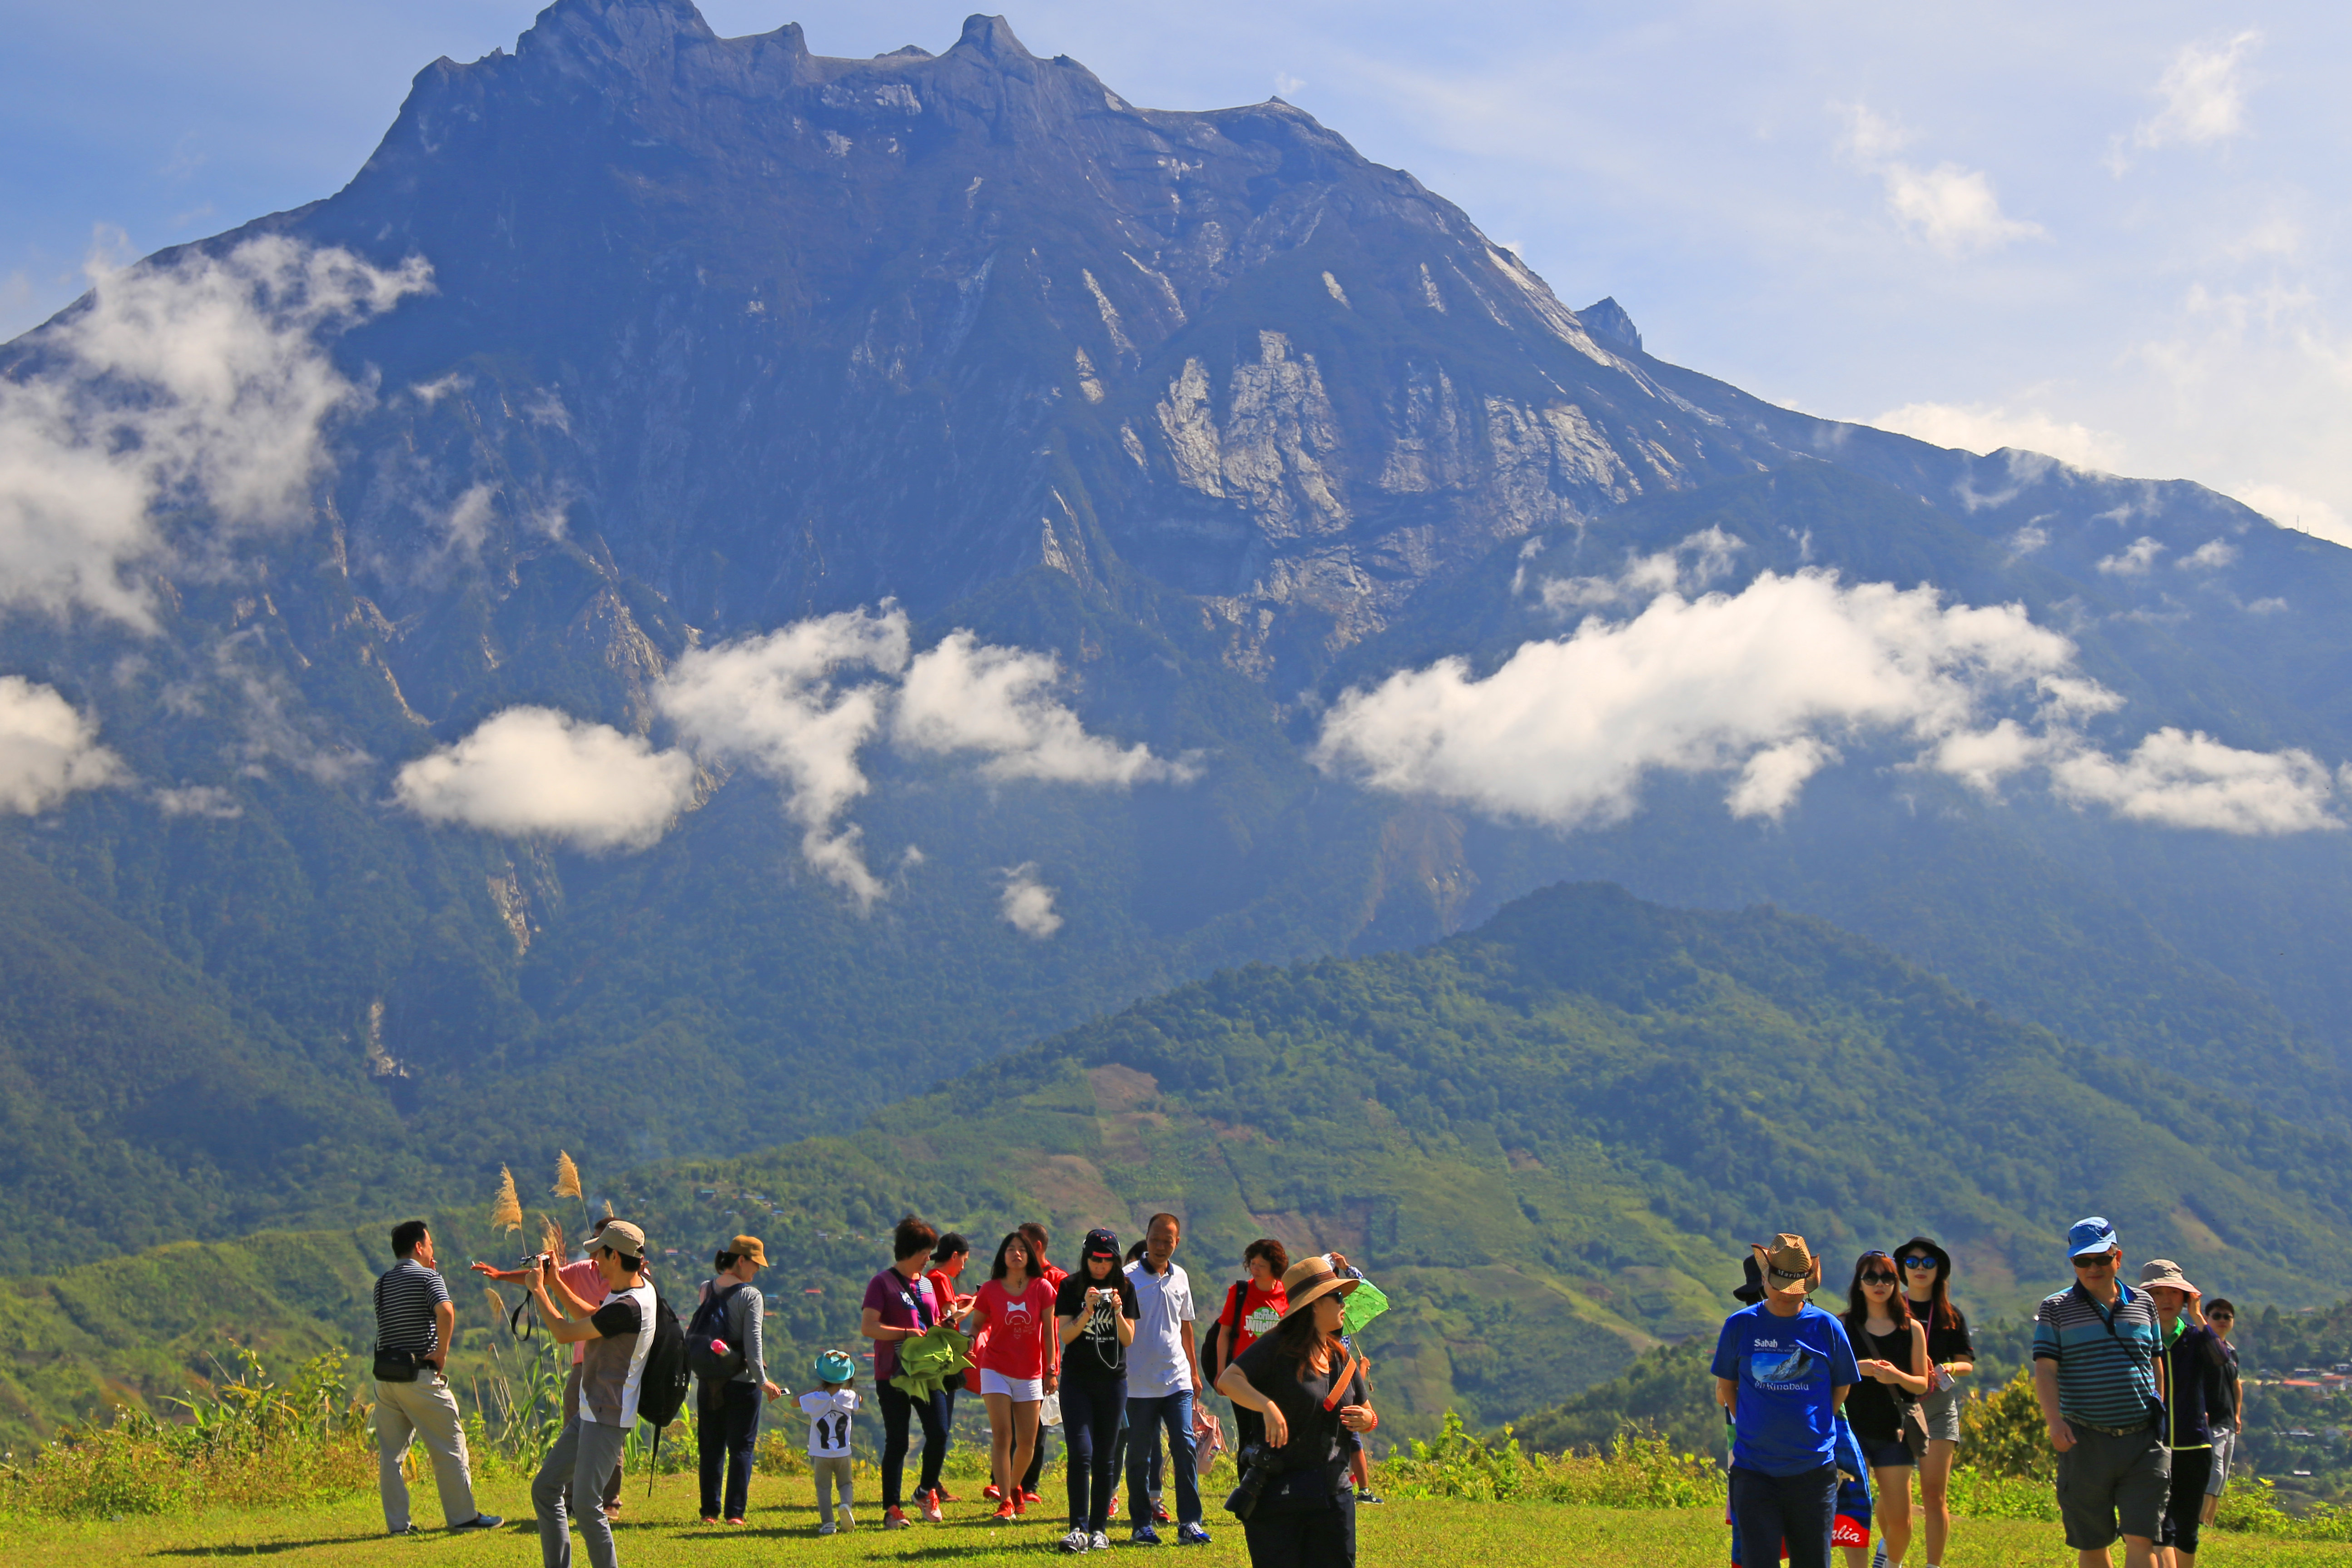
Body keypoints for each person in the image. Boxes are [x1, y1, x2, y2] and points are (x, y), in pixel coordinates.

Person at [1216, 1254, 1378, 1568]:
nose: (1344, 1302)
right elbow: (1229, 1380)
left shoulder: (1340, 1356)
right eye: (1337, 1296)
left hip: (1334, 1496)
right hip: (1281, 1496)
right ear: (1315, 1304)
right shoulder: (1276, 1346)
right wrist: (1267, 1405)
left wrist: (1367, 1420)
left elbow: (1369, 1413)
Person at [1712, 1234, 1861, 1568]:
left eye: (1794, 1286)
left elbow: (1842, 1386)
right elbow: (1727, 1386)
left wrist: (1818, 1422)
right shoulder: (1740, 1326)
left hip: (1813, 1472)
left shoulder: (1827, 1327)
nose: (1786, 1294)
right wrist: (1750, 1423)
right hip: (1754, 1471)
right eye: (1779, 1284)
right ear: (1764, 1277)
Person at [2032, 1217, 2170, 1568]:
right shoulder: (2056, 1308)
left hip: (2143, 1441)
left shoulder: (2144, 1303)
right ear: (2073, 1263)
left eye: (2101, 1259)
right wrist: (2054, 1422)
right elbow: (2046, 1370)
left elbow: (2156, 1360)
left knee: (2142, 1539)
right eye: (2082, 1261)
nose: (2092, 1268)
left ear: (2117, 1257)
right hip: (2085, 1440)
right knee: (2092, 1543)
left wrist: (2160, 1409)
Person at [528, 1219, 657, 1568]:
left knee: (586, 1506)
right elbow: (594, 1319)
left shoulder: (629, 1307)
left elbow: (565, 1333)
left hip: (607, 1415)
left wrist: (538, 1290)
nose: (594, 1261)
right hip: (591, 1410)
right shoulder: (636, 1290)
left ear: (615, 1256)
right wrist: (555, 1282)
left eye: (599, 1254)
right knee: (545, 1489)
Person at [476, 1217, 624, 1520]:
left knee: (610, 1433)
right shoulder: (584, 1271)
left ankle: (610, 1501)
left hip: (614, 1366)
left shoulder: (628, 1282)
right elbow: (543, 1279)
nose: (595, 1250)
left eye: (601, 1244)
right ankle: (571, 1498)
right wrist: (501, 1276)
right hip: (584, 1363)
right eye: (594, 1243)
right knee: (575, 1431)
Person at [373, 1220, 501, 1536]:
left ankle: (398, 1526)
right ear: (419, 1247)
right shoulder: (429, 1276)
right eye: (429, 1244)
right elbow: (446, 1311)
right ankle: (463, 1517)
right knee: (450, 1445)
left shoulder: (383, 1282)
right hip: (419, 1376)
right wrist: (441, 1352)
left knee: (391, 1455)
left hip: (386, 1377)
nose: (432, 1250)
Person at [1126, 1211, 1212, 1546]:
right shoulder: (1128, 1277)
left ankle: (1190, 1522)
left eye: (1168, 1240)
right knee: (1139, 1455)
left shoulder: (1181, 1277)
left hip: (1176, 1380)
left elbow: (1186, 1325)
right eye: (1155, 1239)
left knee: (1185, 1445)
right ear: (1146, 1238)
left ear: (1178, 1242)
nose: (1161, 1246)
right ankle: (1141, 1525)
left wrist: (1193, 1370)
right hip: (1138, 1383)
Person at [1839, 1250, 1929, 1568]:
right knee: (1854, 1515)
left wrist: (1896, 1376)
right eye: (1871, 1277)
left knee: (1901, 1519)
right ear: (1859, 1283)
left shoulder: (1911, 1329)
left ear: (1896, 1282)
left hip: (1895, 1432)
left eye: (1888, 1277)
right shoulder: (1842, 1326)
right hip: (1852, 1434)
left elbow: (1920, 1383)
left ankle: (1890, 1563)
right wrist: (1856, 1368)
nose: (1880, 1284)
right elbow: (1828, 1377)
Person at [963, 1229, 1061, 1523]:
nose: (1016, 1253)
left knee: (1028, 1441)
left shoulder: (1042, 1288)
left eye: (1022, 1249)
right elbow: (977, 1324)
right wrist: (969, 1340)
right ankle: (1005, 1499)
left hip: (1031, 1372)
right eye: (1011, 1249)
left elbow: (1050, 1335)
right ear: (1002, 1256)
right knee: (1003, 1436)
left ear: (1030, 1255)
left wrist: (1051, 1369)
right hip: (995, 1369)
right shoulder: (991, 1289)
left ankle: (1016, 1486)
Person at [863, 1215, 950, 1528]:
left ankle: (926, 1492)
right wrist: (905, 1333)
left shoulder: (927, 1284)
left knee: (939, 1432)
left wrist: (947, 1331)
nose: (929, 1259)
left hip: (928, 1373)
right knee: (898, 1441)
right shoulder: (882, 1283)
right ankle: (892, 1509)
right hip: (893, 1373)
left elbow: (934, 1322)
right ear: (911, 1250)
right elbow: (869, 1327)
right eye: (926, 1252)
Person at [2141, 1261, 2230, 1568]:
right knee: (2158, 1526)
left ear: (2186, 1298)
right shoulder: (2140, 1339)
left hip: (2194, 1446)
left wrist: (2199, 1316)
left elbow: (2221, 1360)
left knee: (2188, 1528)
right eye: (2158, 1293)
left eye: (2174, 1293)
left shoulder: (2195, 1337)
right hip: (2153, 1445)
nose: (2166, 1300)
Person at [1056, 1226, 1141, 1552]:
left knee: (1106, 1457)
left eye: (1107, 1260)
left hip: (1113, 1381)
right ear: (1086, 1256)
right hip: (1077, 1381)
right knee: (1081, 1453)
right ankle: (1077, 1527)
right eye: (1095, 1258)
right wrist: (1087, 1309)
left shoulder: (1126, 1288)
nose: (1101, 1265)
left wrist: (1118, 1311)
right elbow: (1066, 1335)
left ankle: (1098, 1529)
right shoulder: (1070, 1286)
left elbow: (1129, 1339)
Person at [1894, 1236, 1975, 1568]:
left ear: (1939, 1269)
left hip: (1939, 1405)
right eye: (1912, 1263)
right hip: (1898, 1406)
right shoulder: (1891, 1308)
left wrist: (1948, 1367)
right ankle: (1891, 1557)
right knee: (1895, 1491)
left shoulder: (1951, 1314)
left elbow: (1967, 1363)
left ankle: (1933, 1565)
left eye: (1928, 1262)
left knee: (1934, 1494)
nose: (1920, 1269)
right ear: (1902, 1270)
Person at [696, 1235, 784, 1526]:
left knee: (711, 1446)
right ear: (742, 1261)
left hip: (710, 1380)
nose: (757, 1271)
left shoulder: (706, 1289)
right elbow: (753, 1342)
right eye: (756, 1264)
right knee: (742, 1448)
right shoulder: (751, 1296)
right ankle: (735, 1514)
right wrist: (763, 1381)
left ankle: (709, 1512)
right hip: (743, 1382)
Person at [1209, 1241, 1291, 1454]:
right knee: (1248, 1434)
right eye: (1253, 1264)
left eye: (1261, 1265)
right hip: (1242, 1375)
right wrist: (1221, 1373)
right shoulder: (1240, 1292)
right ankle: (1246, 1482)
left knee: (1274, 1434)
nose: (1255, 1269)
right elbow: (1224, 1334)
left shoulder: (1287, 1295)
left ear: (1275, 1267)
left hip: (1277, 1376)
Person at [923, 1232, 976, 1508]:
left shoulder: (928, 1278)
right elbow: (949, 1320)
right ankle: (931, 1485)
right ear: (954, 1256)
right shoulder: (940, 1279)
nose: (963, 1267)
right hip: (943, 1360)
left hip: (932, 1358)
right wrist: (974, 1304)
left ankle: (933, 1483)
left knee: (936, 1426)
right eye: (963, 1260)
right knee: (941, 1427)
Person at [1022, 1221, 1071, 1506]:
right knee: (1010, 1424)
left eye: (1023, 1244)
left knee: (1038, 1426)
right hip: (1014, 1360)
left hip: (1043, 1363)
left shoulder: (1057, 1279)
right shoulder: (1016, 1276)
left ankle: (1030, 1483)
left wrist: (1053, 1368)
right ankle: (1001, 1479)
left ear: (1037, 1246)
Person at [801, 1349, 861, 1536]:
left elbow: (795, 1402)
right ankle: (846, 1505)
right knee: (845, 1483)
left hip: (821, 1453)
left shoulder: (815, 1398)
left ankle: (828, 1523)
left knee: (823, 1488)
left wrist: (815, 1391)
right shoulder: (849, 1396)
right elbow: (859, 1399)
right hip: (844, 1452)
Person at [2202, 1299, 2243, 1523]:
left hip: (2228, 1421)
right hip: (2211, 1419)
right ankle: (2200, 1520)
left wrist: (2237, 1414)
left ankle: (2210, 1522)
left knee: (2223, 1476)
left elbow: (2237, 1385)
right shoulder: (2204, 1349)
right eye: (2217, 1316)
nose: (2222, 1320)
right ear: (2207, 1318)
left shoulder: (2232, 1353)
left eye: (2227, 1317)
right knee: (2214, 1472)